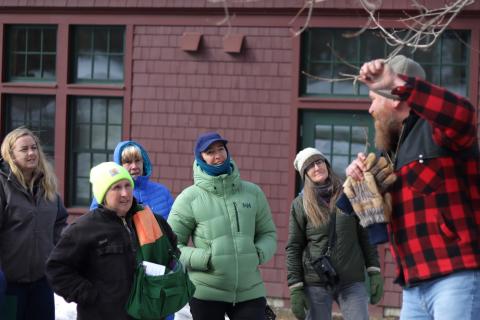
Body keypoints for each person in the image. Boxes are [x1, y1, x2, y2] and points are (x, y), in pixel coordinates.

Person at [346, 55, 480, 319]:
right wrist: (358, 182)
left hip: (456, 276)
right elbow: (356, 214)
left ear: (396, 98)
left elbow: (463, 114)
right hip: (414, 285)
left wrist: (396, 82)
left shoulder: (438, 131)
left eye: (374, 99)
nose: (370, 109)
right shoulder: (393, 150)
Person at [46, 161, 178, 320]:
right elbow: (56, 269)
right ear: (103, 194)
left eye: (127, 185)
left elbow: (171, 249)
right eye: (116, 188)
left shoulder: (149, 218)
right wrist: (90, 296)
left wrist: (165, 278)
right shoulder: (84, 228)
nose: (125, 193)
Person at [167, 132, 277, 320]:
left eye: (220, 149)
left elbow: (268, 233)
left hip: (249, 290)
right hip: (206, 292)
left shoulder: (252, 193)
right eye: (210, 152)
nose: (217, 155)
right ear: (200, 158)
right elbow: (171, 246)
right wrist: (203, 258)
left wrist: (258, 253)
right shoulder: (189, 198)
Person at [286, 147, 382, 320]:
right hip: (316, 280)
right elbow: (294, 247)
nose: (316, 168)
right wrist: (295, 287)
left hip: (351, 280)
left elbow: (365, 236)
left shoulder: (349, 192)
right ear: (305, 174)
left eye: (319, 162)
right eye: (310, 166)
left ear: (326, 164)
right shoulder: (300, 205)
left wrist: (374, 271)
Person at [0, 127, 68, 320]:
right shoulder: (2, 185)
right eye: (24, 149)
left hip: (42, 282)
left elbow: (60, 223)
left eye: (34, 148)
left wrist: (66, 251)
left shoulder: (47, 184)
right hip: (9, 284)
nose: (31, 153)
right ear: (10, 155)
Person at [90, 140, 174, 220]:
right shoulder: (106, 193)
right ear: (119, 165)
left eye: (137, 161)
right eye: (128, 162)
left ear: (143, 163)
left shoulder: (163, 192)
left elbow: (173, 229)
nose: (134, 166)